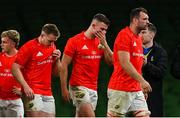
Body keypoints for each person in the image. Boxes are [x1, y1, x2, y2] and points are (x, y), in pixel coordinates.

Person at [60, 13, 113, 117]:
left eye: (105, 30)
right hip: (78, 86)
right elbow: (64, 65)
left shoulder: (100, 42)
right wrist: (63, 88)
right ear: (93, 25)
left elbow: (110, 62)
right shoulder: (74, 41)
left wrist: (105, 44)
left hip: (93, 88)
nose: (104, 32)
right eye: (102, 29)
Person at [107, 7, 152, 117]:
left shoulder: (138, 38)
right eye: (145, 19)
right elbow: (125, 63)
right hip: (120, 89)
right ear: (135, 20)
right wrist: (142, 81)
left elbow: (136, 66)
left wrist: (140, 86)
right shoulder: (124, 35)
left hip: (136, 90)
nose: (148, 22)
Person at [11, 24, 61, 117]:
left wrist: (58, 60)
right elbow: (14, 68)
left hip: (48, 92)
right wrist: (25, 87)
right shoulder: (29, 47)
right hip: (32, 91)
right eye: (50, 41)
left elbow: (56, 74)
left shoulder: (52, 46)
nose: (52, 43)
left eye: (54, 41)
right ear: (42, 35)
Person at [140, 23, 168, 117]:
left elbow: (161, 73)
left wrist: (146, 65)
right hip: (134, 94)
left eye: (143, 32)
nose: (140, 35)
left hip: (153, 97)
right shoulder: (134, 50)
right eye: (139, 32)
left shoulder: (160, 52)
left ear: (152, 34)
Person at [0, 30, 24, 117]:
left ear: (13, 44)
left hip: (15, 103)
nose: (1, 44)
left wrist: (23, 92)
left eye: (4, 42)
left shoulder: (22, 58)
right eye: (1, 42)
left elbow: (31, 78)